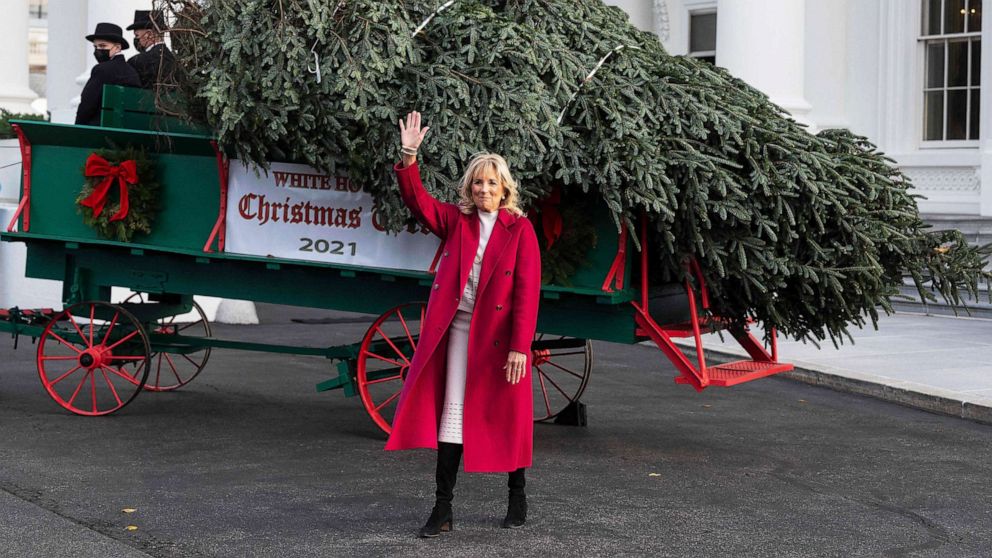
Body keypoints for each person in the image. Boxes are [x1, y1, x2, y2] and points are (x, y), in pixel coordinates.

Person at [385, 111, 541, 538]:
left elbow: (528, 293)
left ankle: (517, 495)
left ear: (505, 188)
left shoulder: (521, 230)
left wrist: (520, 347)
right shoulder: (458, 221)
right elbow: (417, 201)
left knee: (509, 414)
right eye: (478, 182)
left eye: (492, 183)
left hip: (502, 340)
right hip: (458, 333)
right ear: (469, 188)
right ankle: (443, 508)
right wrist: (409, 154)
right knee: (450, 418)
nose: (484, 189)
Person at [75, 23, 141, 126]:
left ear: (118, 48)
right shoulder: (132, 72)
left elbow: (87, 106)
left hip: (99, 130)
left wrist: (77, 128)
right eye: (95, 46)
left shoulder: (102, 70)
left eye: (102, 46)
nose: (97, 50)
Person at [126, 10, 175, 89]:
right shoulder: (175, 60)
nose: (135, 39)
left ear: (149, 35)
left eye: (136, 35)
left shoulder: (137, 62)